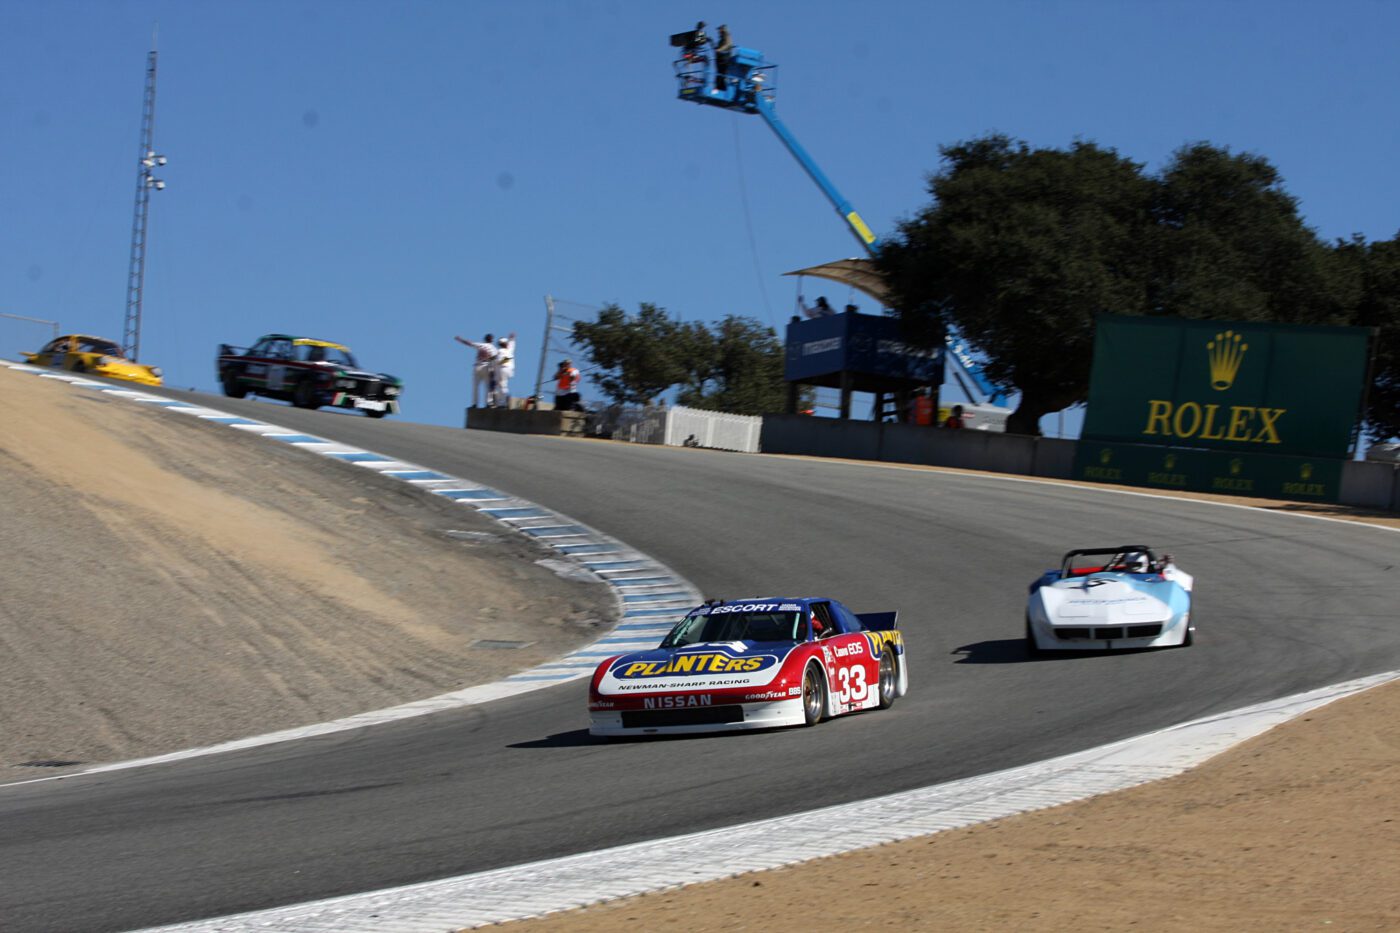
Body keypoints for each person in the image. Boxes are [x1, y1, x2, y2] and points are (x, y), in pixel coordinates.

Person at [454, 333, 499, 408]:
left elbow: (469, 343)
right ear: (492, 340)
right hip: (486, 367)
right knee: (487, 386)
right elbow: (495, 358)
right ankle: (488, 403)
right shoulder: (494, 349)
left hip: (477, 367)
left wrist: (460, 339)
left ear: (485, 339)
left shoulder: (481, 345)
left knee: (475, 387)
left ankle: (474, 404)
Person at [492, 332, 516, 408]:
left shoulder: (500, 351)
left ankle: (503, 402)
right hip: (509, 370)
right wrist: (512, 339)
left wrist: (498, 362)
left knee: (502, 386)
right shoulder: (509, 350)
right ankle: (502, 401)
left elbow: (502, 361)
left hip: (503, 369)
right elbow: (512, 345)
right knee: (502, 385)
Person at [713, 24, 733, 92]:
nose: (718, 31)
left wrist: (719, 49)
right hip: (720, 58)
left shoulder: (726, 35)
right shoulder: (721, 39)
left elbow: (727, 45)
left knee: (723, 73)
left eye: (719, 29)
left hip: (725, 57)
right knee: (719, 73)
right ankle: (719, 87)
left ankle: (722, 88)